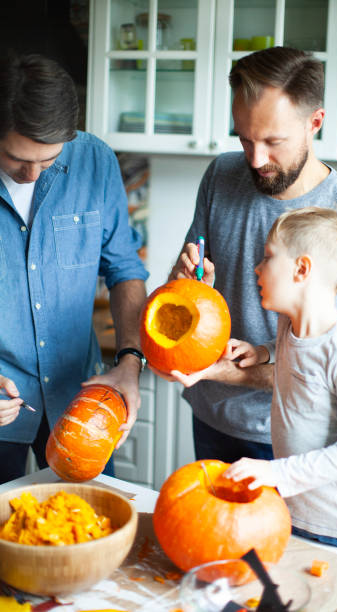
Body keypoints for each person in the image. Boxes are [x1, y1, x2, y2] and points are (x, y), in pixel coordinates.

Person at [166, 46, 337, 463]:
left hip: (291, 437)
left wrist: (223, 372)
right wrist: (184, 284)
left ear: (314, 123)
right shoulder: (220, 176)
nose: (256, 158)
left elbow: (322, 361)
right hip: (210, 416)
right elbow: (186, 287)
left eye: (273, 141)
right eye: (245, 139)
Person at [182, 206, 337, 556]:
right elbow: (297, 352)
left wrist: (274, 473)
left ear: (301, 269)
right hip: (296, 511)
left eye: (268, 258)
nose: (257, 268)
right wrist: (262, 352)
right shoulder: (289, 326)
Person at [0, 52, 149, 484]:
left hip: (80, 400)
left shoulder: (95, 161)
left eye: (47, 162)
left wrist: (130, 361)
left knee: (87, 526)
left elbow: (124, 268)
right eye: (14, 159)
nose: (30, 174)